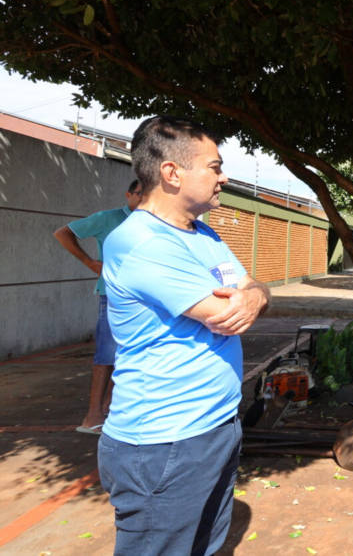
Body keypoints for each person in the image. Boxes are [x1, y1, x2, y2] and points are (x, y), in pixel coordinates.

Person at [99, 116, 270, 556]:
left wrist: (253, 297)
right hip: (164, 442)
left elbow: (253, 291)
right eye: (214, 167)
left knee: (205, 547)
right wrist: (245, 300)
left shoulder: (205, 235)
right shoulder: (139, 242)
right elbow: (222, 314)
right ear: (172, 174)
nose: (223, 177)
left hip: (215, 426)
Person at [54, 180, 144, 434]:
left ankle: (110, 409)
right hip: (114, 295)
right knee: (106, 354)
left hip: (143, 297)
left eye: (149, 195)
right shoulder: (109, 218)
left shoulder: (154, 222)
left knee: (129, 353)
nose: (143, 199)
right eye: (139, 194)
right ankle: (92, 418)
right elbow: (63, 233)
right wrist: (90, 262)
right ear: (128, 195)